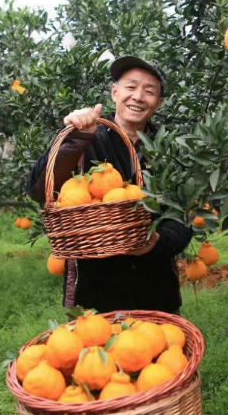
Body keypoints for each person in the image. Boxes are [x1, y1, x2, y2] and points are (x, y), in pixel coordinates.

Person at [26, 56, 193, 314]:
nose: (138, 96)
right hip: (96, 289)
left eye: (149, 91)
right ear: (114, 92)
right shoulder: (88, 139)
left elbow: (183, 216)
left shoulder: (170, 148)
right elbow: (40, 190)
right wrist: (76, 138)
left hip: (157, 287)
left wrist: (157, 241)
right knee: (97, 353)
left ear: (157, 104)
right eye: (131, 87)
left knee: (159, 350)